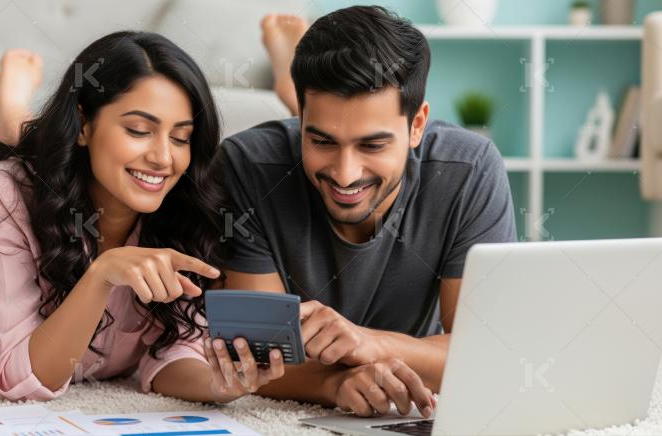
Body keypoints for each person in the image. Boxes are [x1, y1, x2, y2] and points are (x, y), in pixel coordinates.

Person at [155, 6, 517, 417]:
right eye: (322, 141)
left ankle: (290, 82)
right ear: (302, 121)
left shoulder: (469, 170)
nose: (346, 175)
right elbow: (256, 354)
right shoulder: (245, 167)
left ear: (417, 125)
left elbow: (489, 353)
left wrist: (370, 342)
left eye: (372, 145)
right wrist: (334, 383)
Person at [0, 32, 229, 401]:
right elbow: (17, 378)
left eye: (181, 138)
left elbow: (178, 349)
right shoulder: (3, 191)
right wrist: (101, 275)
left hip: (1, 267)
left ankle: (5, 115)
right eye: (139, 130)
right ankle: (1, 117)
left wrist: (220, 384)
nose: (163, 158)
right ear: (83, 124)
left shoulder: (185, 205)